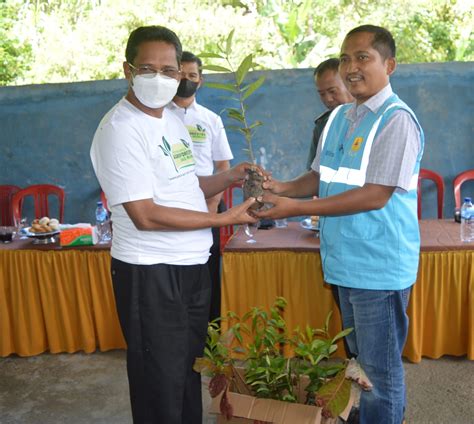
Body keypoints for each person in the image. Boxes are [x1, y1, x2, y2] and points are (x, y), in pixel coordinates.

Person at [90, 25, 260, 424]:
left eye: (169, 70)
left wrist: (231, 176)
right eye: (148, 68)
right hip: (151, 272)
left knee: (187, 372)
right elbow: (144, 214)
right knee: (159, 384)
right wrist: (222, 218)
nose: (160, 78)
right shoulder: (121, 128)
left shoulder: (170, 120)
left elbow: (188, 185)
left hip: (190, 267)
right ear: (128, 70)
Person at [257, 25, 424, 424]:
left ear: (390, 65)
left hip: (378, 267)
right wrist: (279, 187)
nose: (351, 66)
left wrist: (287, 208)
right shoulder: (339, 118)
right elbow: (317, 176)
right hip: (344, 263)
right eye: (346, 57)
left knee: (380, 373)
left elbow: (375, 194)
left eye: (363, 57)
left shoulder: (395, 120)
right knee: (359, 365)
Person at [166, 51, 233, 323]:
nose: (185, 80)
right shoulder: (158, 118)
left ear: (200, 80)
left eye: (191, 75)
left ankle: (210, 331)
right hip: (171, 205)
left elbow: (223, 167)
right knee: (174, 266)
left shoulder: (210, 119)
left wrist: (213, 205)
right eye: (180, 74)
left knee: (207, 268)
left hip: (209, 203)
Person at [306, 58, 354, 170]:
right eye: (322, 94)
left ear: (349, 84)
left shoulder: (370, 119)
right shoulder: (322, 125)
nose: (328, 99)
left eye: (332, 91)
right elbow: (312, 173)